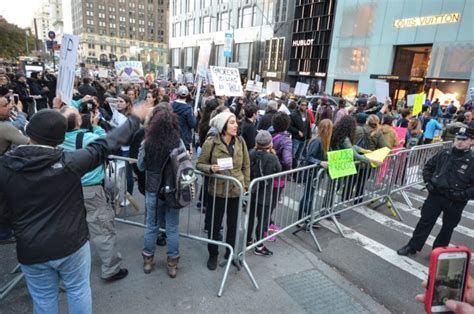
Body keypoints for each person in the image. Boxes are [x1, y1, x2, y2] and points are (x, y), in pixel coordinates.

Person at [0, 105, 146, 313]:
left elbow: (3, 213)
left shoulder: (5, 167)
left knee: (43, 299)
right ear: (60, 139)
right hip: (70, 244)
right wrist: (134, 119)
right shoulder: (69, 162)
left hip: (31, 247)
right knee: (78, 290)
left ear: (28, 132)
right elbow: (106, 145)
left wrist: (18, 228)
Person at [59, 106, 128, 282]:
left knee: (69, 230)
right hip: (90, 190)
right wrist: (96, 126)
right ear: (79, 121)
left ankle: (68, 275)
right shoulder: (89, 137)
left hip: (65, 190)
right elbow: (106, 143)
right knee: (102, 229)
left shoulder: (56, 140)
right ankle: (111, 269)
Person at [397, 127, 474, 256]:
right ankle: (412, 246)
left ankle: (438, 252)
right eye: (458, 139)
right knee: (425, 222)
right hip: (436, 195)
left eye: (464, 139)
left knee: (448, 227)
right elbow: (427, 168)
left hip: (455, 201)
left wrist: (461, 195)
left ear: (471, 141)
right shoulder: (445, 153)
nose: (460, 142)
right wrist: (428, 184)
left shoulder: (472, 160)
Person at [196, 112, 250, 270]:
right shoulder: (211, 143)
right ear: (223, 126)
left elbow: (246, 165)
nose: (236, 125)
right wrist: (211, 168)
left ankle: (230, 253)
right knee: (214, 225)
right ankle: (213, 254)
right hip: (217, 191)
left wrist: (245, 185)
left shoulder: (240, 142)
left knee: (233, 225)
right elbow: (199, 164)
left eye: (236, 122)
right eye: (232, 123)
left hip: (235, 190)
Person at [138, 110, 183, 277]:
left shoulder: (147, 142)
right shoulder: (178, 143)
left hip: (153, 191)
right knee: (172, 228)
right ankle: (172, 264)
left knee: (152, 227)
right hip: (172, 191)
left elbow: (141, 166)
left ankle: (148, 261)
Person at [247, 130, 281, 256]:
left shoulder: (251, 152)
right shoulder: (272, 157)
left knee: (250, 218)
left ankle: (248, 240)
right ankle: (259, 246)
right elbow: (279, 170)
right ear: (269, 143)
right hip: (265, 195)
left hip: (252, 192)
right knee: (262, 220)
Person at [298, 119, 332, 220]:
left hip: (316, 174)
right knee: (308, 196)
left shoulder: (323, 141)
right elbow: (308, 157)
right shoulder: (317, 141)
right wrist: (320, 162)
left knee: (310, 196)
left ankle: (307, 217)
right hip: (311, 174)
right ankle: (302, 218)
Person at [172, 85, 196, 152]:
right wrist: (194, 116)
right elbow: (193, 124)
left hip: (172, 136)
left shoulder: (171, 105)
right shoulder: (188, 108)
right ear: (187, 95)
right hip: (184, 138)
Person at [288, 99, 311, 168]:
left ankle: (295, 171)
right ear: (298, 105)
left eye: (305, 105)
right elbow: (289, 127)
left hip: (303, 140)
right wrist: (297, 132)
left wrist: (309, 136)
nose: (304, 106)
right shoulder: (293, 115)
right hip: (296, 139)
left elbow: (308, 126)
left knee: (298, 157)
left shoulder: (307, 114)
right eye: (302, 105)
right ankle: (289, 169)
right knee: (292, 155)